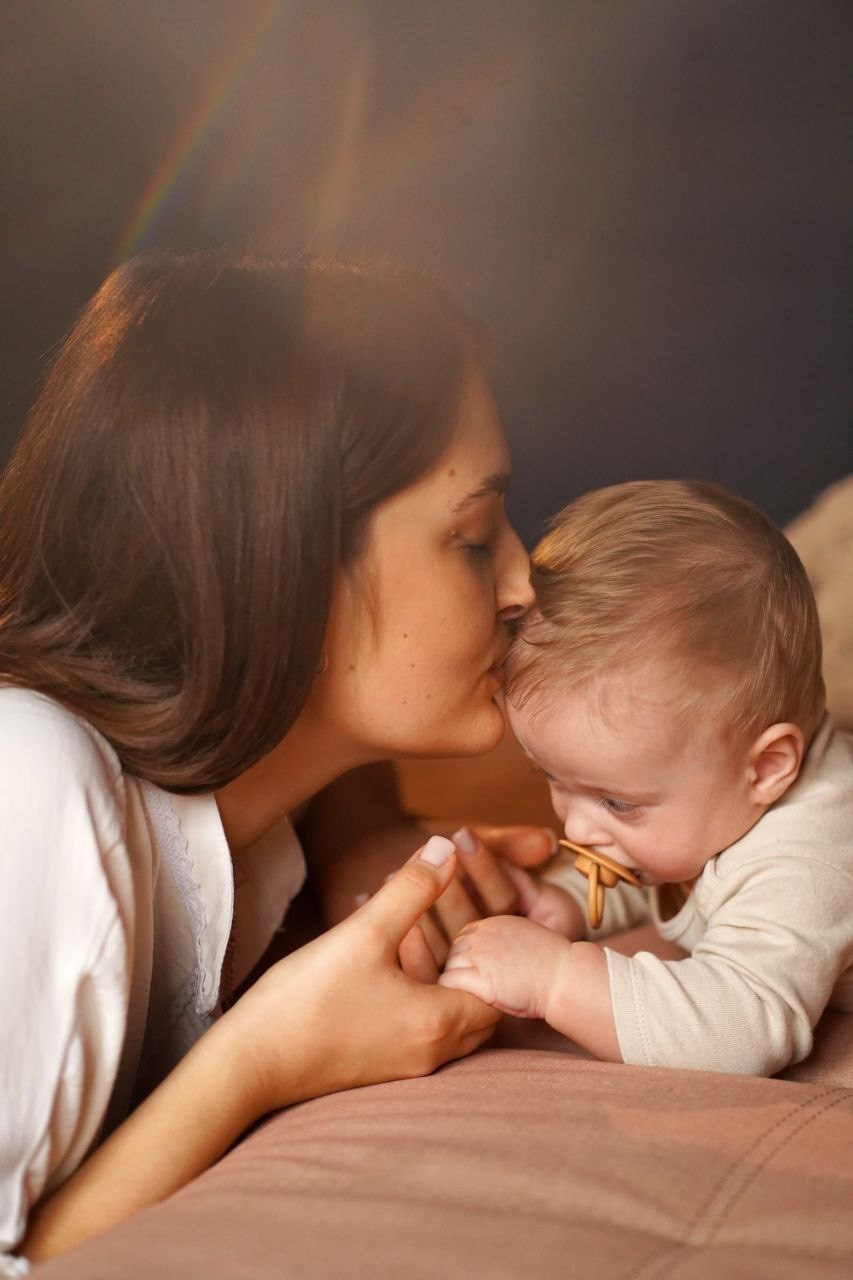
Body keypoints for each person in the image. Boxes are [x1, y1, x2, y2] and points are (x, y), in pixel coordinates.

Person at [0, 249, 552, 1272]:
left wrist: (367, 845)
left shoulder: (253, 811)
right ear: (284, 560)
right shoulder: (29, 784)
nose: (525, 581)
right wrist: (258, 1059)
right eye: (474, 537)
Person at [440, 480, 853, 1076]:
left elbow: (743, 1029)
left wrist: (559, 978)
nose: (575, 824)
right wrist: (569, 900)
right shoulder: (713, 799)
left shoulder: (803, 864)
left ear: (765, 769)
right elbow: (662, 865)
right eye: (551, 778)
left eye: (617, 802)